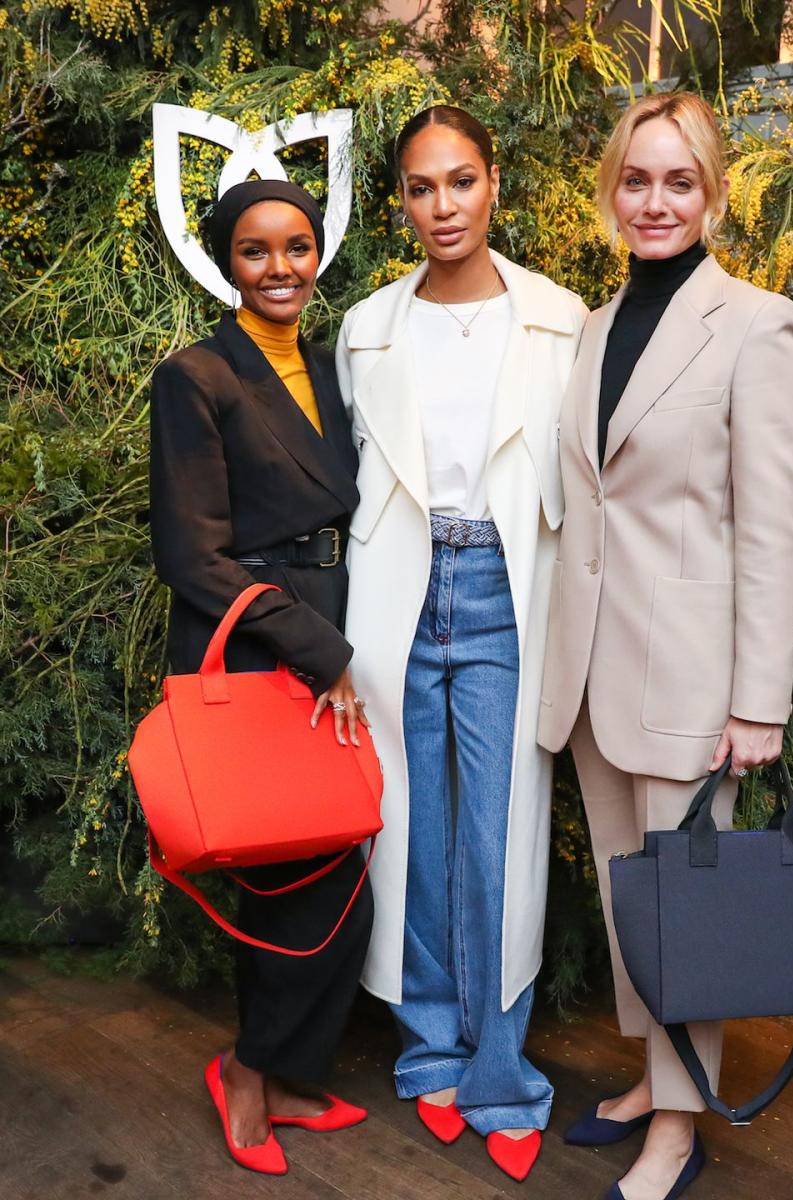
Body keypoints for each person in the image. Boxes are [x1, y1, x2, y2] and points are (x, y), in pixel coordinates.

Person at [537, 92, 793, 1200]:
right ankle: (659, 1078)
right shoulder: (599, 324)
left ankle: (678, 1130)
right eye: (637, 180)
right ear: (614, 191)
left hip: (693, 680)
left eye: (678, 181)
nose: (655, 201)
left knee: (682, 911)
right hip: (596, 673)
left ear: (713, 193)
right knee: (623, 896)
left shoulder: (756, 321)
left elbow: (769, 525)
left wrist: (759, 703)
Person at [336, 105, 587, 1182]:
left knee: (499, 834)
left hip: (504, 589)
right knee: (410, 831)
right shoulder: (365, 327)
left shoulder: (560, 319)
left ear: (495, 186)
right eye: (420, 187)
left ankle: (501, 1073)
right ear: (399, 200)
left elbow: (584, 487)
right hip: (398, 591)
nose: (442, 205)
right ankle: (428, 1048)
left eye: (461, 181)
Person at [150, 179, 373, 1176]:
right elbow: (191, 553)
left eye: (296, 246)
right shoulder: (195, 376)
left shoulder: (331, 369)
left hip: (333, 631)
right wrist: (317, 648)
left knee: (343, 880)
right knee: (287, 876)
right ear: (224, 263)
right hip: (261, 649)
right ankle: (245, 1073)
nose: (279, 266)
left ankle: (288, 1075)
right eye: (255, 250)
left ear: (317, 253)